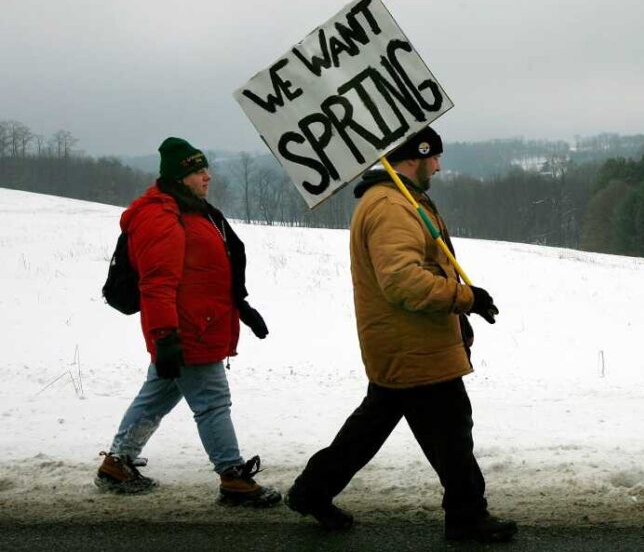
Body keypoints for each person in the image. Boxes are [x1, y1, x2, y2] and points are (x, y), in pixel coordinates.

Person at [286, 126, 517, 542]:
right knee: (451, 431)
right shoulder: (392, 207)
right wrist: (465, 297)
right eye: (435, 158)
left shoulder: (400, 201)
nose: (440, 166)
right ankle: (467, 517)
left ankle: (312, 490)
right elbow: (403, 281)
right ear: (416, 155)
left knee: (369, 429)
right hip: (415, 347)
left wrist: (466, 301)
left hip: (406, 343)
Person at [95, 136, 280, 508]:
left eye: (205, 168)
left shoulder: (193, 211)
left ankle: (118, 462)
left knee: (158, 395)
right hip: (186, 330)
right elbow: (157, 282)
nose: (207, 176)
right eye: (198, 170)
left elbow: (207, 272)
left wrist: (240, 306)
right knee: (213, 401)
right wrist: (164, 336)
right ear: (180, 177)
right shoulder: (162, 216)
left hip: (199, 323)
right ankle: (233, 476)